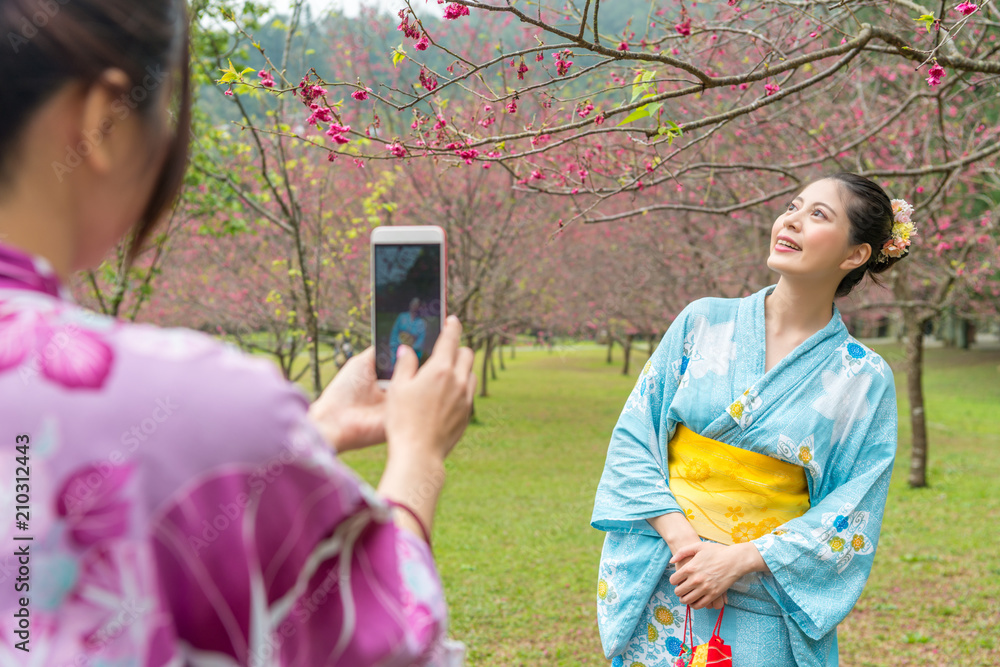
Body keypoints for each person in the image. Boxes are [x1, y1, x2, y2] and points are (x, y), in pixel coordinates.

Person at [0, 1, 475, 665]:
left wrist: (306, 437)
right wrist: (417, 458)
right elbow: (390, 641)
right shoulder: (200, 400)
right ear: (100, 120)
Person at [592, 173, 916, 666]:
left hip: (766, 593)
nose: (791, 220)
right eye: (793, 206)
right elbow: (636, 437)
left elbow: (853, 507)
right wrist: (687, 547)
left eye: (818, 215)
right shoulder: (702, 321)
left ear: (856, 255)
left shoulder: (864, 377)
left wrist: (737, 560)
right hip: (668, 577)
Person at [391, 297, 428, 366]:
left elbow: (421, 339)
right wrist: (396, 345)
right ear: (410, 304)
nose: (414, 306)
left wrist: (412, 349)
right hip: (398, 349)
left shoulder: (421, 322)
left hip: (413, 352)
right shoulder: (402, 317)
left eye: (416, 304)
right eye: (413, 303)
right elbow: (394, 333)